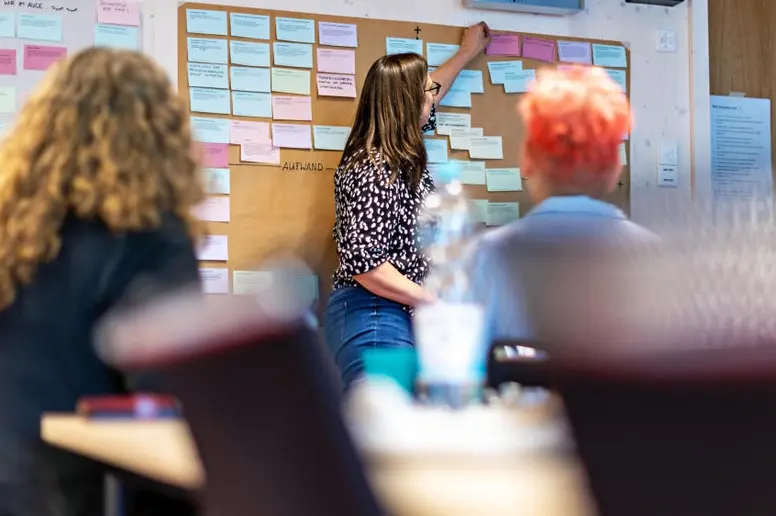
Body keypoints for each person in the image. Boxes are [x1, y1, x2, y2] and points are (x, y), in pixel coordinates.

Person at [0, 48, 204, 515]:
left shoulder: (12, 236)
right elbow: (167, 396)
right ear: (160, 136)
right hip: (75, 494)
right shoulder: (147, 236)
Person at [324, 23, 491, 390]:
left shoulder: (397, 155)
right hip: (372, 312)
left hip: (395, 311)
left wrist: (466, 53)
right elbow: (365, 265)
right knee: (387, 416)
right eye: (426, 91)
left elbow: (435, 89)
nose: (433, 97)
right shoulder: (374, 168)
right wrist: (436, 301)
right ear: (406, 103)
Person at [468, 65, 657, 347]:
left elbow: (457, 374)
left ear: (527, 160)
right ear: (614, 169)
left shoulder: (485, 256)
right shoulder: (658, 258)